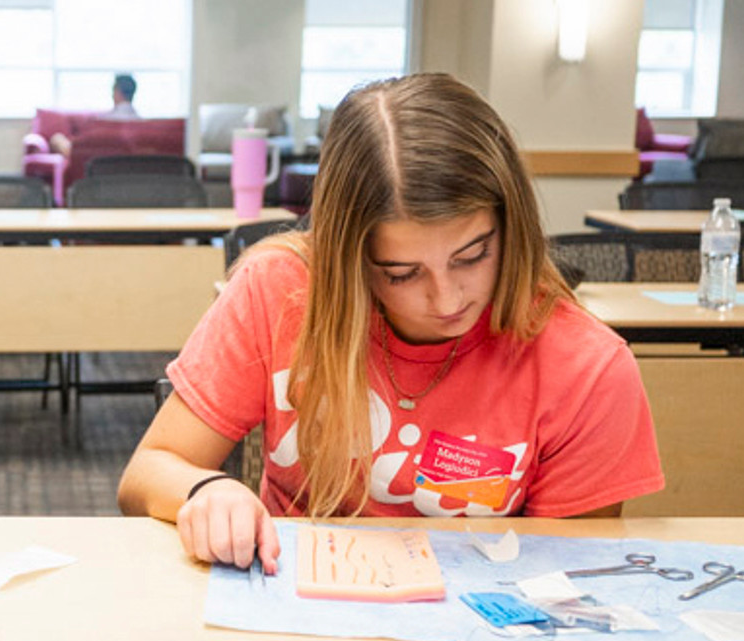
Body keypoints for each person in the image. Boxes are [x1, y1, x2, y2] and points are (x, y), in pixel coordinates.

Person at [117, 73, 664, 571]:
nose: (446, 298)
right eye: (401, 273)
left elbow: (568, 573)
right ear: (347, 258)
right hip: (295, 611)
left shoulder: (588, 366)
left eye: (472, 255)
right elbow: (148, 471)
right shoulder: (278, 289)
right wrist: (206, 490)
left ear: (510, 224)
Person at [49, 73, 139, 156]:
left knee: (57, 139)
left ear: (116, 92)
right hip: (120, 161)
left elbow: (84, 141)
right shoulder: (140, 122)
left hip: (91, 157)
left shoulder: (102, 122)